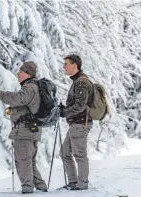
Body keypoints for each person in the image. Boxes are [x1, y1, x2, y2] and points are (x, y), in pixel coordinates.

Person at [0, 61, 48, 194]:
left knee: (23, 161)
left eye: (21, 72)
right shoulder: (33, 87)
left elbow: (17, 98)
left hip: (25, 131)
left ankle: (27, 189)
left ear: (27, 74)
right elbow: (27, 105)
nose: (18, 74)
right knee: (29, 161)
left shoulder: (29, 87)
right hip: (31, 129)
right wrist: (14, 110)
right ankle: (41, 187)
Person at [58, 54, 94, 190]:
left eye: (66, 64)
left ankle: (82, 184)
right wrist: (65, 109)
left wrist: (64, 112)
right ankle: (73, 182)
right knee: (65, 153)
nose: (64, 67)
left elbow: (80, 106)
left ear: (75, 65)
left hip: (80, 124)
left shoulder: (81, 82)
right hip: (76, 124)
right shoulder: (77, 81)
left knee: (80, 154)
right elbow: (78, 104)